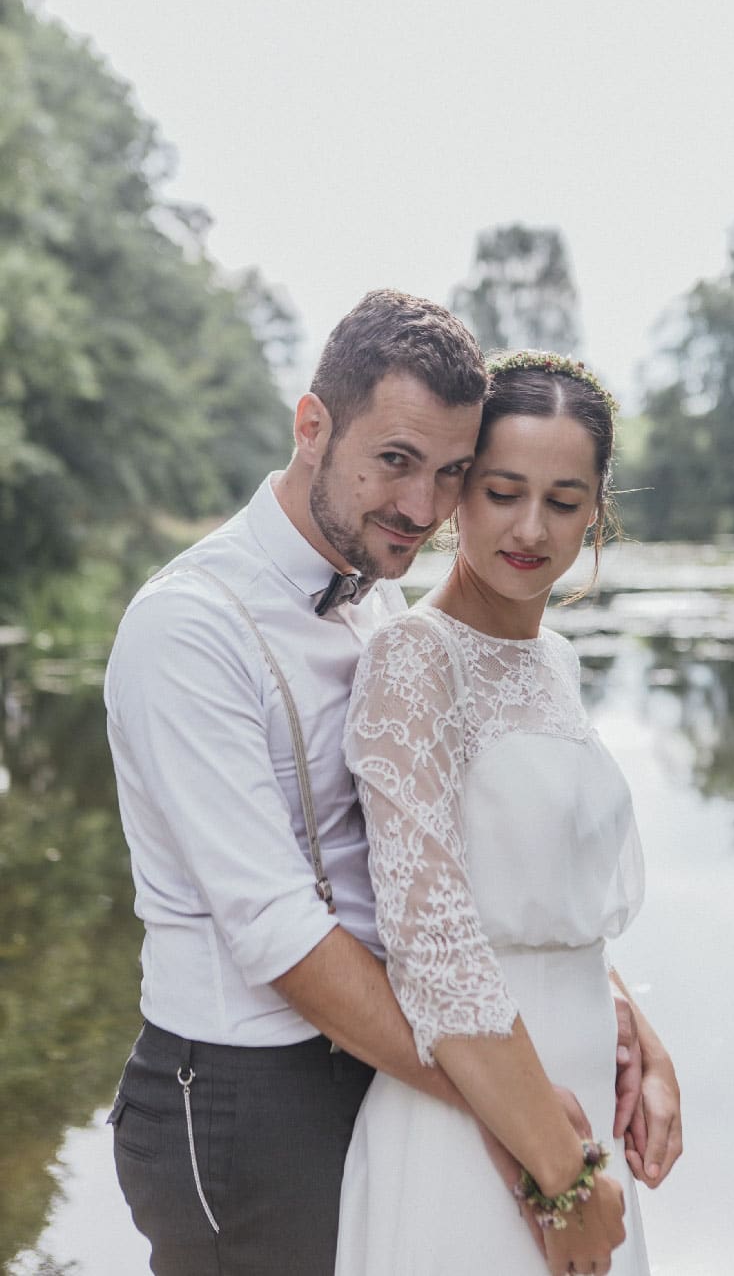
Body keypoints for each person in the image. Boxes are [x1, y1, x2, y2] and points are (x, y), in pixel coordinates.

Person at [103, 289, 491, 1275]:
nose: (423, 509)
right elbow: (278, 931)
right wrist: (498, 1091)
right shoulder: (187, 627)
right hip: (239, 1098)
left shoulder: (381, 597)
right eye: (396, 461)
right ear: (312, 426)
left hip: (375, 1060)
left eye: (450, 474)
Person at [336, 351, 681, 1275]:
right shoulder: (415, 659)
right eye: (501, 491)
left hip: (584, 1097)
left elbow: (551, 898)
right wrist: (561, 1179)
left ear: (596, 509)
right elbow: (434, 946)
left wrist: (643, 1043)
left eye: (564, 502)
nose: (531, 528)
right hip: (476, 1109)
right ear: (458, 494)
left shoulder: (556, 661)